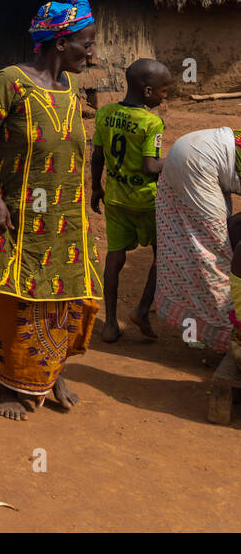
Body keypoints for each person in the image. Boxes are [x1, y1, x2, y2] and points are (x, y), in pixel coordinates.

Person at [0, 0, 103, 421]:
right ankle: (9, 385)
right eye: (86, 41)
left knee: (67, 298)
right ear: (60, 42)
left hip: (67, 218)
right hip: (22, 216)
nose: (92, 50)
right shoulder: (10, 81)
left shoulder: (72, 87)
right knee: (19, 298)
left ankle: (50, 373)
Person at [90, 59, 172, 342]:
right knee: (162, 254)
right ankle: (141, 309)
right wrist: (172, 159)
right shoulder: (151, 122)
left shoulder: (105, 114)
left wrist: (95, 189)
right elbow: (150, 167)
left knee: (114, 257)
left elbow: (97, 156)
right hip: (146, 202)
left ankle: (110, 323)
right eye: (163, 92)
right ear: (148, 91)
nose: (165, 97)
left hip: (114, 198)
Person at [155, 126, 241, 351]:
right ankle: (227, 336)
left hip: (188, 150)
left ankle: (193, 332)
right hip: (198, 165)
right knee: (213, 258)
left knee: (187, 250)